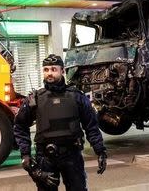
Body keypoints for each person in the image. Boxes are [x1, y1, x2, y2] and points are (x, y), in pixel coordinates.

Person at [14, 54, 107, 191]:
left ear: (62, 71)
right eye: (46, 70)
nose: (49, 73)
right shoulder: (35, 99)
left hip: (72, 156)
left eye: (53, 69)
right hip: (45, 158)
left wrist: (100, 151)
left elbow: (91, 125)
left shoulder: (77, 97)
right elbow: (20, 126)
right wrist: (25, 155)